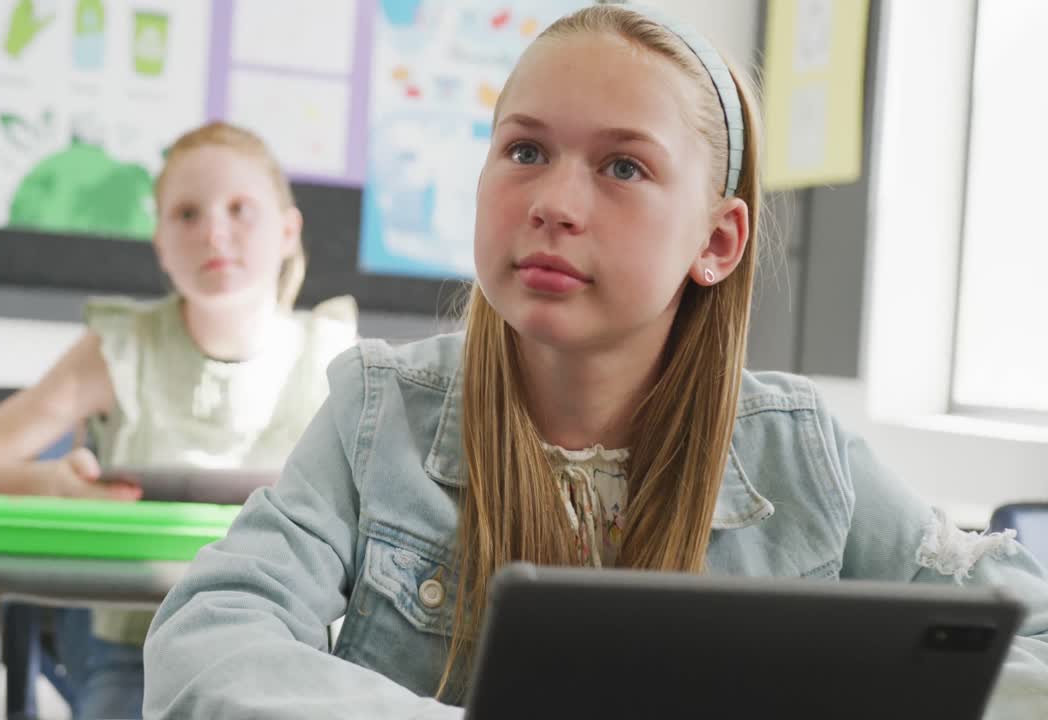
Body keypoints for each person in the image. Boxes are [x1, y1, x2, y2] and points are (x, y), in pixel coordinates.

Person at [143, 5, 1048, 719]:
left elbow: (1032, 646)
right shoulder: (380, 414)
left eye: (623, 168)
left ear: (717, 241)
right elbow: (207, 642)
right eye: (525, 151)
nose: (554, 202)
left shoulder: (802, 452)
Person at [0, 121, 357, 719]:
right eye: (187, 215)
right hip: (133, 647)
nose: (214, 233)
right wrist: (54, 486)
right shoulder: (119, 349)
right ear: (160, 245)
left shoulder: (335, 358)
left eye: (240, 210)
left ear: (287, 231)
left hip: (287, 649)